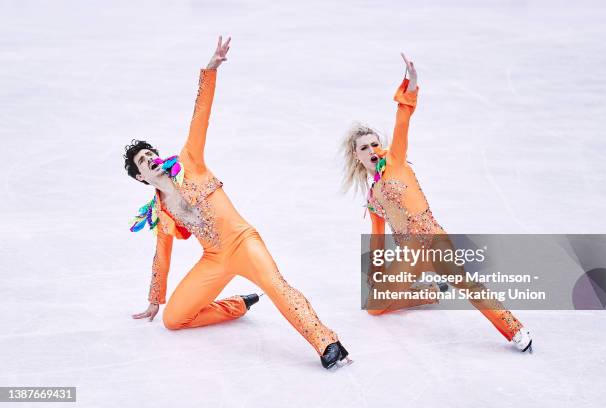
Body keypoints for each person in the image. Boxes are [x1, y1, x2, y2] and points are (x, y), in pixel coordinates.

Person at [126, 36, 349, 368]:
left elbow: (200, 116)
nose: (150, 159)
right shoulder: (161, 211)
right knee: (174, 319)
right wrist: (154, 299)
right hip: (214, 259)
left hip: (244, 242)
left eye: (150, 153)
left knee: (277, 287)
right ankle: (238, 306)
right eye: (143, 161)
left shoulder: (190, 161)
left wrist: (210, 70)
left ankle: (327, 342)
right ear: (141, 178)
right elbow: (162, 257)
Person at [341, 53, 533, 352]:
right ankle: (429, 292)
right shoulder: (371, 199)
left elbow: (402, 119)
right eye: (364, 147)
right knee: (374, 306)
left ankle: (514, 328)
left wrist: (412, 84)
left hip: (434, 239)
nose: (372, 149)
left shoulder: (395, 161)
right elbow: (377, 241)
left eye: (375, 143)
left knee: (465, 284)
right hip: (409, 255)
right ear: (357, 156)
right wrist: (376, 274)